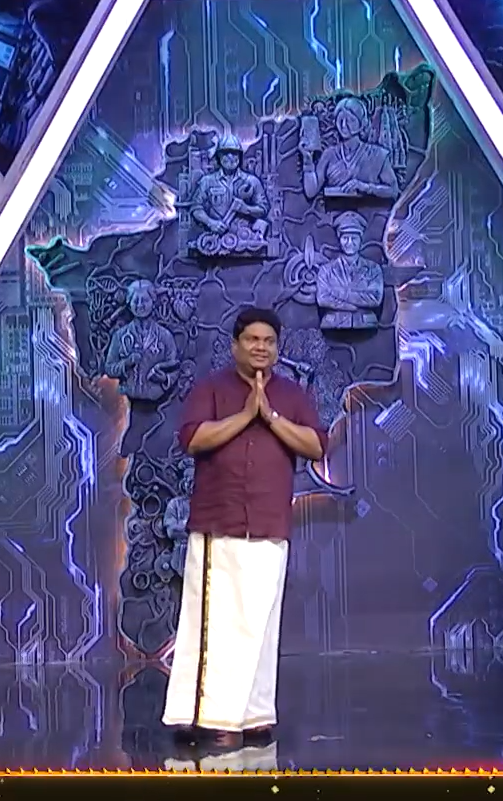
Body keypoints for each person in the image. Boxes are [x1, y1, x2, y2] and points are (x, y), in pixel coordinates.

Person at [164, 308, 324, 751]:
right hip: (220, 523)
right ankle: (212, 716)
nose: (260, 347)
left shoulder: (291, 394)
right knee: (217, 624)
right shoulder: (211, 389)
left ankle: (254, 713)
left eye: (268, 341)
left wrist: (270, 416)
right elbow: (193, 439)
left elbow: (315, 445)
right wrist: (246, 415)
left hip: (270, 522)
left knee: (261, 624)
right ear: (235, 344)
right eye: (252, 339)